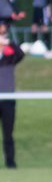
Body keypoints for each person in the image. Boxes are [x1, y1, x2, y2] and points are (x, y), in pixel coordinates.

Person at [0, 26, 23, 168]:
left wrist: (8, 43)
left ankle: (10, 162)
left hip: (8, 99)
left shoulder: (10, 58)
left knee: (8, 134)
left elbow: (20, 54)